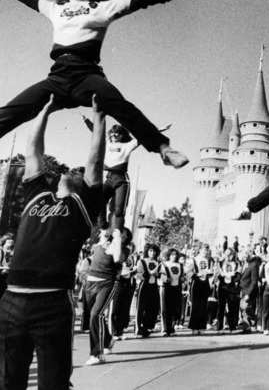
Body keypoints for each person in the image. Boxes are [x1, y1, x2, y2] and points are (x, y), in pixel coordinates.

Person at [0, 0, 202, 169]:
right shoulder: (55, 8)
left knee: (121, 106)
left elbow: (142, 0)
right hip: (57, 77)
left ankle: (164, 149)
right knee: (12, 111)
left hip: (86, 76)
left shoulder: (104, 9)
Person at [0, 93, 105, 390]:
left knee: (53, 385)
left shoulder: (82, 205)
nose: (71, 170)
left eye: (77, 172)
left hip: (51, 303)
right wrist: (44, 110)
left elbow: (95, 160)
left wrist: (99, 119)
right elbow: (33, 151)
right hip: (11, 300)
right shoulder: (37, 194)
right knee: (7, 382)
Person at [82, 120, 170, 230]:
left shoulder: (128, 145)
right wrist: (86, 120)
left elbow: (144, 136)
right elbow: (96, 130)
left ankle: (117, 231)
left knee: (119, 210)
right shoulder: (107, 142)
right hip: (109, 178)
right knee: (99, 200)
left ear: (122, 135)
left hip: (121, 180)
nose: (114, 135)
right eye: (112, 133)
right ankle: (102, 225)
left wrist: (161, 129)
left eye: (117, 133)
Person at [83, 227, 132, 365]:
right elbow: (99, 243)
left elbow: (116, 257)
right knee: (95, 317)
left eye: (122, 235)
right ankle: (108, 340)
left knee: (95, 315)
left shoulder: (123, 251)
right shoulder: (100, 244)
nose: (117, 234)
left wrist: (117, 239)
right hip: (91, 282)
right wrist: (105, 236)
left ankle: (97, 354)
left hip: (107, 284)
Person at [135, 243, 161, 337]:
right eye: (150, 251)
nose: (152, 253)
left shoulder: (157, 262)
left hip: (154, 286)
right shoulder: (142, 261)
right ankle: (138, 328)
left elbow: (160, 274)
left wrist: (157, 274)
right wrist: (149, 273)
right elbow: (138, 274)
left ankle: (147, 327)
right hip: (144, 285)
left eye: (154, 251)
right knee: (141, 307)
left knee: (152, 307)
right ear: (147, 251)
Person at [159, 248, 184, 337]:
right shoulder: (165, 264)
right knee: (165, 309)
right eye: (172, 254)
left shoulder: (180, 265)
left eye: (175, 254)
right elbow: (160, 275)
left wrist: (183, 279)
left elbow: (182, 276)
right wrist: (166, 279)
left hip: (176, 288)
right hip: (166, 288)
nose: (174, 256)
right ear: (169, 255)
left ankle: (171, 328)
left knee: (174, 309)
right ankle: (165, 329)